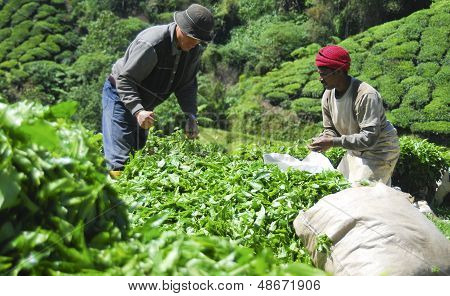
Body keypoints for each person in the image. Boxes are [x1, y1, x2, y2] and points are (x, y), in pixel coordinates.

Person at [102, 4, 214, 175]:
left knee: (135, 158)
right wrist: (138, 111)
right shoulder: (152, 44)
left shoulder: (193, 50)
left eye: (199, 40)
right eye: (192, 37)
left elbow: (187, 85)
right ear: (181, 29)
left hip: (145, 105)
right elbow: (125, 80)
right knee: (119, 162)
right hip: (120, 96)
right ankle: (111, 199)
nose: (195, 43)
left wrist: (191, 116)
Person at [308, 45, 400, 185]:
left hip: (380, 150)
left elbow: (369, 138)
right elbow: (330, 129)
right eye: (319, 73)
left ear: (339, 71)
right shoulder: (327, 95)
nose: (320, 78)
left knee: (361, 194)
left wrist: (333, 142)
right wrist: (325, 138)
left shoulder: (365, 95)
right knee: (339, 186)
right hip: (355, 149)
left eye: (324, 73)